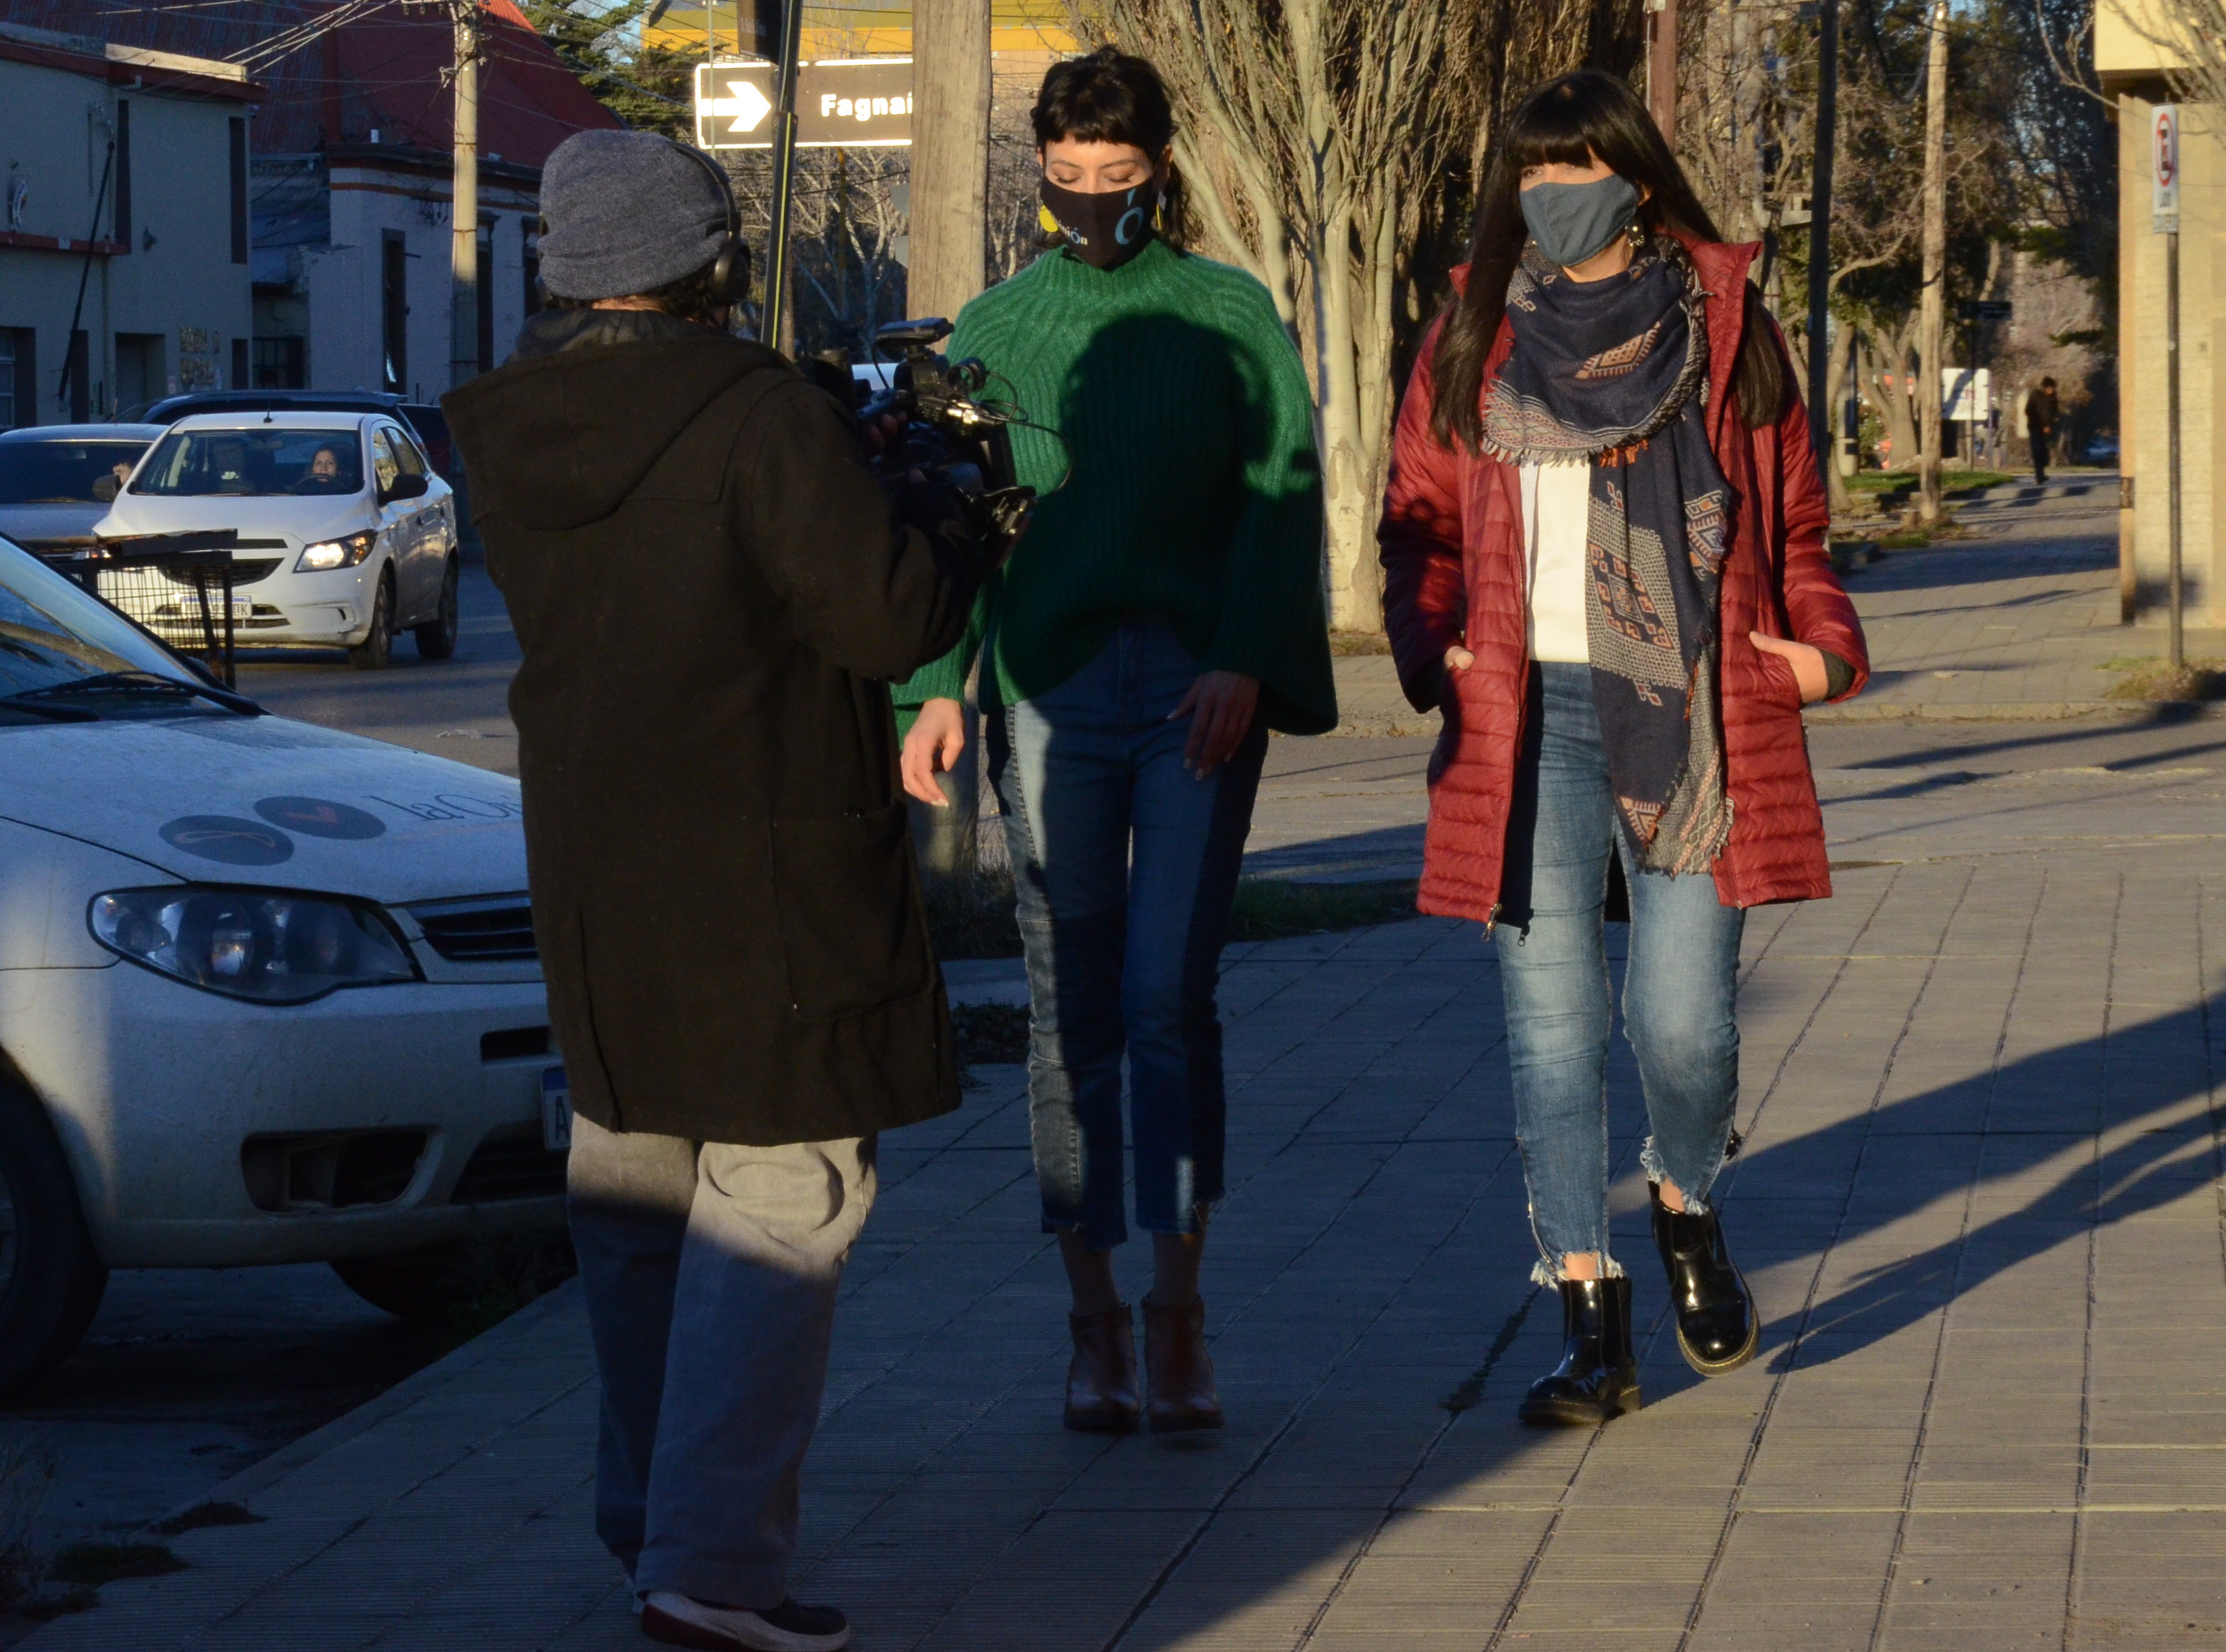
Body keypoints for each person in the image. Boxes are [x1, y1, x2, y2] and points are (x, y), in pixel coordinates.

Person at [444, 130, 987, 1652]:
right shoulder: (758, 418)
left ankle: (654, 1528)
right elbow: (884, 619)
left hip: (597, 871)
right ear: (713, 264)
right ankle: (715, 1565)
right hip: (769, 867)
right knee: (782, 1195)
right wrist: (948, 511)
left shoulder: (499, 425)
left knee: (631, 1201)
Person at [1377, 71, 1869, 1428]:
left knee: (1681, 1023)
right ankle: (1590, 1319)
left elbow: (1799, 524)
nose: (1550, 196)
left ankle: (1684, 1198)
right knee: (1547, 1029)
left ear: (1638, 183)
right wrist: (1437, 650)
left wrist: (1821, 649)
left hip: (1691, 711)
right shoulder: (1469, 336)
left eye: (1576, 169)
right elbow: (1414, 526)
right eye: (1529, 175)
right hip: (1524, 710)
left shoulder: (1724, 332)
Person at [895, 46, 1335, 1436]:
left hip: (1197, 692)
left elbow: (1281, 493)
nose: (1091, 198)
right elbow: (953, 512)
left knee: (1164, 999)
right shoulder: (1000, 322)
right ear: (1041, 170)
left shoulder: (1226, 312)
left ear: (1161, 172)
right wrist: (934, 690)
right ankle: (1090, 1325)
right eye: (1068, 176)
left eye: (1119, 177)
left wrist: (1245, 657)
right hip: (1049, 688)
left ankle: (1180, 1308)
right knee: (1066, 1007)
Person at [2026, 375, 2061, 484]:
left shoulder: (2053, 398)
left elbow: (2055, 411)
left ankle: (2041, 473)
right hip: (2035, 427)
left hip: (2047, 429)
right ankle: (2039, 475)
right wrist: (2040, 424)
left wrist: (2051, 423)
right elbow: (2028, 410)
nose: (2052, 390)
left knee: (2043, 452)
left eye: (2053, 388)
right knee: (2036, 451)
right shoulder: (2035, 395)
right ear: (2045, 387)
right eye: (2050, 388)